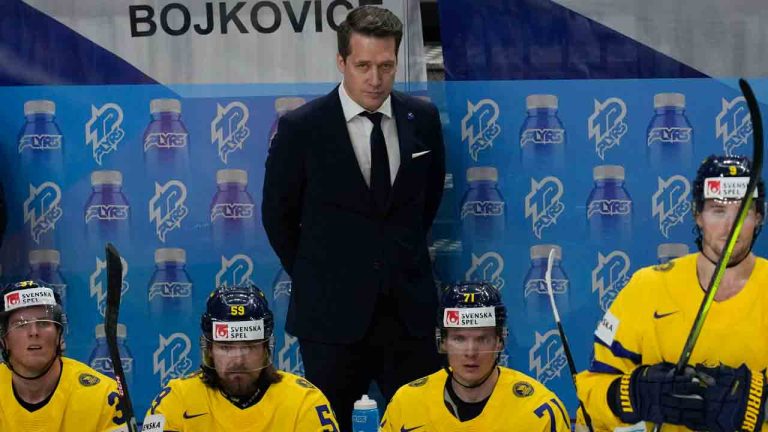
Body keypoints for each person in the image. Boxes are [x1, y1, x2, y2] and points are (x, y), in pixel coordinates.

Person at [262, 5, 445, 430]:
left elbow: (426, 202)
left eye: (386, 65)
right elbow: (278, 218)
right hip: (330, 320)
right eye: (363, 65)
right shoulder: (300, 129)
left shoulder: (424, 119)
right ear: (342, 61)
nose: (375, 78)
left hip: (409, 316)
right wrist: (322, 275)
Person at [576, 155, 768, 431]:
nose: (730, 227)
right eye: (718, 210)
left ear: (759, 216)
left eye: (743, 212)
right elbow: (590, 394)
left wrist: (756, 403)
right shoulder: (647, 287)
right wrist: (634, 394)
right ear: (697, 215)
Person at [142, 284, 339, 432]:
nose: (238, 359)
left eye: (249, 346)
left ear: (265, 349)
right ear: (210, 349)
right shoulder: (176, 399)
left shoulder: (304, 401)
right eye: (226, 347)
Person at [381, 281, 571, 431]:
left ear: (499, 341)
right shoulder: (406, 403)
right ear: (443, 341)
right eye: (459, 339)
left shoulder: (539, 409)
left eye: (482, 339)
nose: (470, 352)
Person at [0, 280, 126, 431]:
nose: (33, 332)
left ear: (59, 334)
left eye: (43, 322)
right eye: (21, 324)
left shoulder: (104, 396)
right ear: (4, 340)